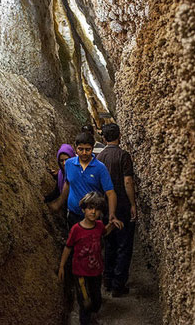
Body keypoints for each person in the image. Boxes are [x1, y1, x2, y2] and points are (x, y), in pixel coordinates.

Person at [58, 192, 123, 325]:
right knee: (84, 301)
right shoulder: (76, 229)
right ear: (83, 209)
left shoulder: (99, 225)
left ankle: (93, 315)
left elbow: (104, 232)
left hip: (96, 271)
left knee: (97, 299)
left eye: (97, 209)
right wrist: (62, 266)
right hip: (80, 272)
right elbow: (68, 247)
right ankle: (86, 321)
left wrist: (112, 224)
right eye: (90, 208)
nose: (93, 212)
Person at [97, 123, 137, 297]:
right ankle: (118, 285)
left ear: (103, 138)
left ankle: (107, 280)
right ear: (119, 136)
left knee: (109, 243)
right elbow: (128, 182)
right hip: (121, 205)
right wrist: (133, 204)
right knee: (124, 244)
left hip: (104, 206)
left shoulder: (99, 158)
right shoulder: (124, 156)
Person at [50, 132, 118, 229]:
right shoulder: (69, 164)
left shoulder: (100, 168)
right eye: (81, 149)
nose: (84, 153)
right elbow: (68, 183)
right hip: (73, 215)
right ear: (76, 148)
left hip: (93, 216)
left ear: (92, 149)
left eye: (88, 149)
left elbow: (110, 193)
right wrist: (59, 203)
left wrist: (112, 213)